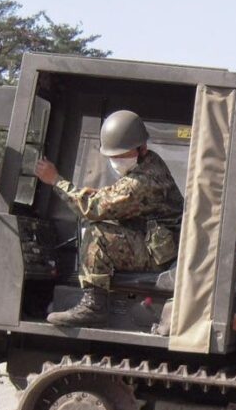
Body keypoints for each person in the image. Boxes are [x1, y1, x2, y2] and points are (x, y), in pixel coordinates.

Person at [34, 110, 184, 326]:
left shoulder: (141, 182)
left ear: (141, 148)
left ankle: (94, 306)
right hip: (159, 245)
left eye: (122, 155)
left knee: (98, 233)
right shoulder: (149, 161)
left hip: (159, 256)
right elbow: (116, 196)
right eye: (113, 156)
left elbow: (93, 208)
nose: (116, 161)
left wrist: (55, 180)